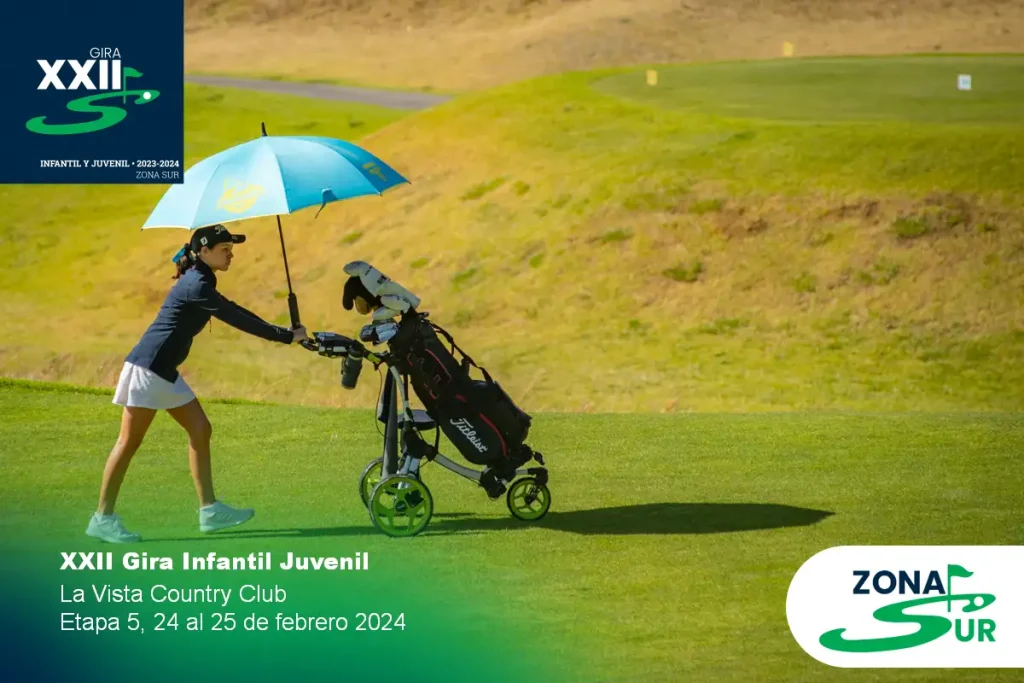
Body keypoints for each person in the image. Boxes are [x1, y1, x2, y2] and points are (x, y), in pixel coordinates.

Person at [85, 224, 309, 543]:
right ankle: (102, 518)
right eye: (224, 249)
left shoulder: (202, 279)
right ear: (204, 252)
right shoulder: (196, 285)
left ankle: (210, 510)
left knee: (200, 429)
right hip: (149, 369)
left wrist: (284, 332)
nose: (231, 254)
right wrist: (285, 336)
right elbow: (235, 317)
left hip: (164, 370)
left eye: (231, 248)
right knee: (129, 442)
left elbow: (234, 308)